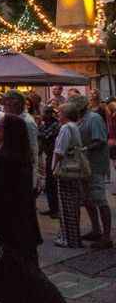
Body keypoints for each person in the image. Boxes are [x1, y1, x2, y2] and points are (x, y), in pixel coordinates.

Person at [0, 114, 42, 267]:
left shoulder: (3, 160)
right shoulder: (21, 156)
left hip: (6, 223)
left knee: (13, 265)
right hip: (21, 222)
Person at [69, 95, 113, 249]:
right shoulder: (79, 119)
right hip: (84, 165)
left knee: (100, 199)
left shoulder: (93, 118)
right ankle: (96, 229)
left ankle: (106, 237)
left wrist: (84, 149)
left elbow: (100, 140)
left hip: (95, 165)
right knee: (87, 199)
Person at [53, 103, 85, 248]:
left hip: (66, 170)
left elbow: (59, 151)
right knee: (73, 205)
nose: (57, 115)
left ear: (65, 114)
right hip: (75, 169)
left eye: (59, 113)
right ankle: (73, 237)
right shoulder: (75, 126)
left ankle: (68, 238)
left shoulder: (66, 128)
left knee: (66, 206)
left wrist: (53, 168)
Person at [2, 90, 39, 188]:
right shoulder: (13, 118)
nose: (4, 107)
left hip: (23, 170)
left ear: (15, 104)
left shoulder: (27, 122)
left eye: (6, 103)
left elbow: (32, 149)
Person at [38, 106, 61, 219]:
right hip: (48, 155)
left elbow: (46, 137)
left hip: (55, 155)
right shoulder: (43, 125)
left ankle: (56, 209)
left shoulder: (56, 125)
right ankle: (52, 207)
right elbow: (41, 138)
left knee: (53, 183)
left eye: (46, 113)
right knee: (49, 184)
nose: (44, 115)